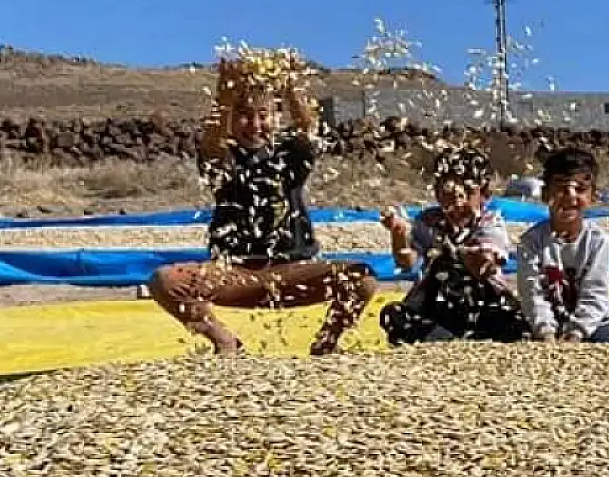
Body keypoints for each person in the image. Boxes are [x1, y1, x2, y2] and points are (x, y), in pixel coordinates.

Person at [148, 47, 377, 356]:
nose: (255, 124)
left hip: (293, 271)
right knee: (165, 281)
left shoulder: (289, 157)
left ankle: (327, 342)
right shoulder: (224, 159)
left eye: (263, 115)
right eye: (244, 115)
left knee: (361, 280)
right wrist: (226, 94)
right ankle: (225, 341)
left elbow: (308, 130)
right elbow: (213, 147)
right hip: (235, 273)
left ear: (275, 117)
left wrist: (292, 85)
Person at [379, 146, 529, 344]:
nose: (457, 204)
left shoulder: (489, 222)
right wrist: (399, 235)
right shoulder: (429, 221)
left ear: (484, 195)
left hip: (483, 304)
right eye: (447, 194)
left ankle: (468, 338)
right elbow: (408, 263)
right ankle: (442, 340)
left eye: (467, 193)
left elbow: (486, 265)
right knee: (393, 314)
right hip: (435, 306)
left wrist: (463, 253)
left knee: (517, 321)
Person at [516, 147, 609, 343]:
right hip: (547, 322)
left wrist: (576, 333)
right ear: (546, 194)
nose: (570, 196)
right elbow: (532, 295)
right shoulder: (530, 243)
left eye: (580, 189)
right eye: (561, 188)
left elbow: (596, 293)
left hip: (594, 323)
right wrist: (545, 332)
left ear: (593, 197)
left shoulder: (598, 242)